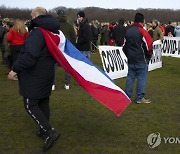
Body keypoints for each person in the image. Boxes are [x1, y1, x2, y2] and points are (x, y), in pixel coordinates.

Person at [8, 7, 60, 151]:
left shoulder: (38, 33)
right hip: (47, 73)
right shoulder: (52, 31)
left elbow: (30, 56)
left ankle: (49, 132)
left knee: (30, 105)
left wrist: (15, 69)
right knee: (43, 101)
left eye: (32, 15)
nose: (30, 18)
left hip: (35, 75)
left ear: (36, 16)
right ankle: (44, 130)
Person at [123, 13, 153, 104]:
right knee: (141, 78)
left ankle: (127, 96)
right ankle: (139, 97)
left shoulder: (128, 31)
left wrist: (128, 55)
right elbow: (149, 46)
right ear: (142, 21)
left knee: (130, 77)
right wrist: (148, 56)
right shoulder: (143, 31)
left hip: (131, 59)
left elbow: (124, 46)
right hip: (141, 59)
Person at [57, 9, 76, 90]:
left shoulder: (55, 25)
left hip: (56, 47)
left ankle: (52, 84)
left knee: (53, 66)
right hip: (66, 47)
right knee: (66, 66)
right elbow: (74, 37)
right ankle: (67, 83)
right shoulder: (69, 25)